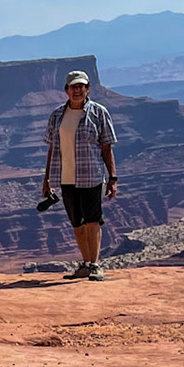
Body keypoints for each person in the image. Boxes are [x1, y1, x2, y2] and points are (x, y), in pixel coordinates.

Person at [41, 69, 118, 280]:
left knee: (93, 220)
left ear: (88, 89)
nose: (77, 90)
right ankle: (85, 263)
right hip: (66, 177)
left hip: (91, 176)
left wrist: (113, 178)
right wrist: (46, 179)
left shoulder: (99, 113)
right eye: (73, 86)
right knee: (77, 222)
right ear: (66, 90)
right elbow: (51, 148)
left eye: (81, 86)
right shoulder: (57, 115)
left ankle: (95, 265)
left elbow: (106, 147)